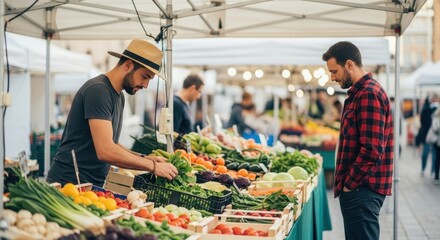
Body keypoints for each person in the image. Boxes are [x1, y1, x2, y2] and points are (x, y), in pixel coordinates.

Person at [47, 39, 178, 187]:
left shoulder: (118, 96)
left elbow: (112, 143)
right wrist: (152, 167)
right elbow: (106, 151)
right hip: (68, 183)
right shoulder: (98, 90)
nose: (145, 85)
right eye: (145, 76)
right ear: (128, 65)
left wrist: (146, 158)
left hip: (87, 184)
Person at [322, 41, 393, 240]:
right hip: (360, 189)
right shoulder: (361, 93)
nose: (332, 77)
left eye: (334, 71)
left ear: (350, 64)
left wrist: (349, 184)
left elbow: (371, 149)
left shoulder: (368, 94)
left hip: (362, 190)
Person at [416, 95, 438, 176]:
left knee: (435, 155)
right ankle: (423, 168)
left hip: (436, 136)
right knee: (425, 153)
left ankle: (433, 171)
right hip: (427, 136)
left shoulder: (437, 109)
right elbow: (423, 122)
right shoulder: (426, 109)